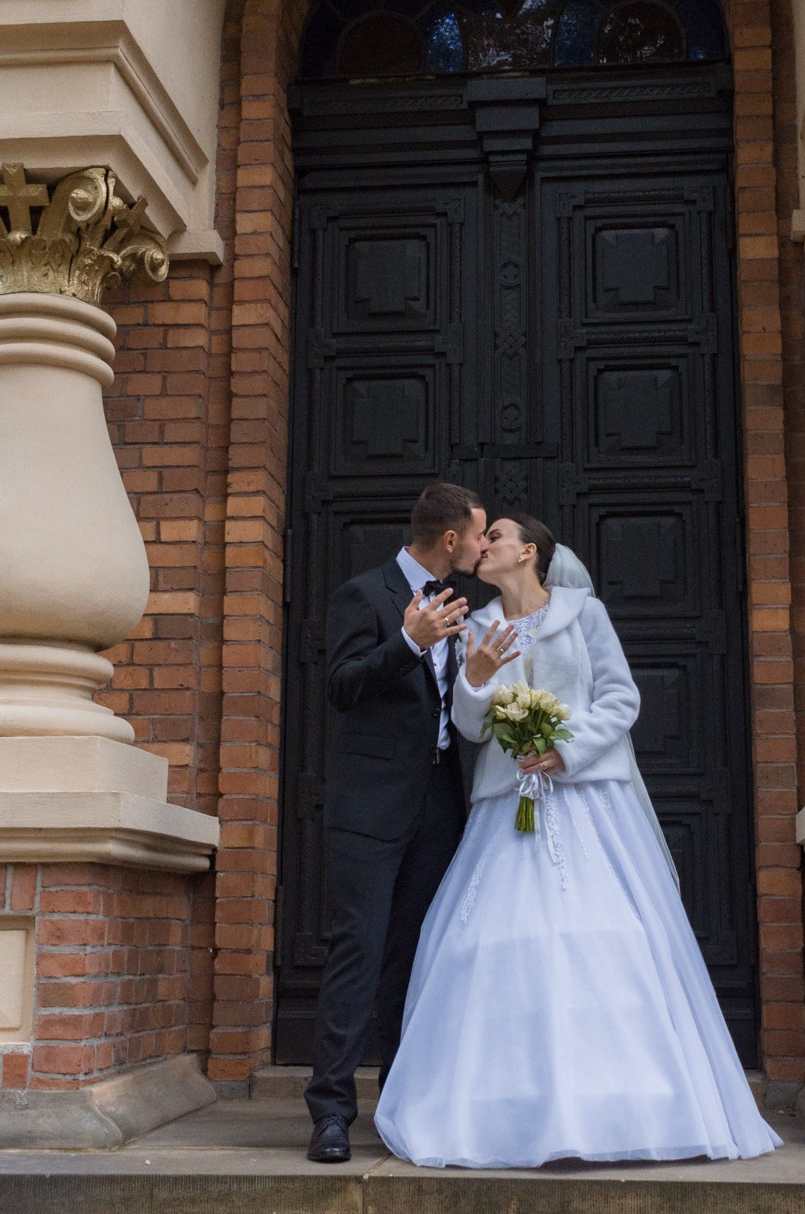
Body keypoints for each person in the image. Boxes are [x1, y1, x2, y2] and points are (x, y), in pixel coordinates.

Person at [372, 514, 781, 1169]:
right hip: (509, 806)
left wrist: (564, 748)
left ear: (528, 551)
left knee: (600, 938)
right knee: (491, 942)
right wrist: (475, 678)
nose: (485, 545)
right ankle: (505, 1108)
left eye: (496, 535)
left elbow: (619, 699)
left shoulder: (583, 615)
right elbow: (471, 727)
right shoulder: (477, 627)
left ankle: (622, 1105)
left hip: (590, 801)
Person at [305, 483, 487, 1163]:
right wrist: (407, 643)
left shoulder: (465, 606)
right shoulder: (366, 593)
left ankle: (402, 1102)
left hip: (439, 805)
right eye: (476, 534)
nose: (482, 543)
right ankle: (329, 1110)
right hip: (369, 807)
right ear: (449, 540)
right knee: (359, 950)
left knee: (415, 960)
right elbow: (342, 686)